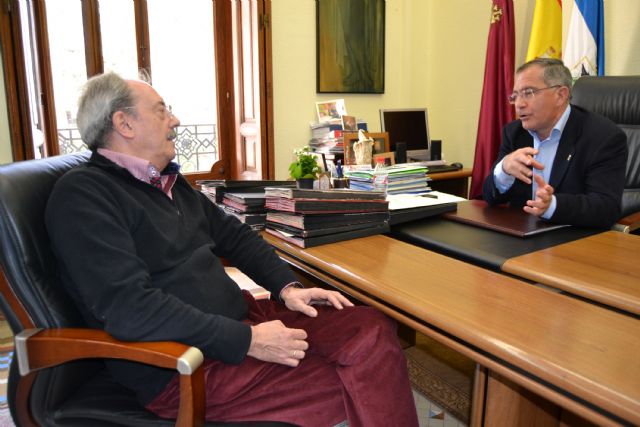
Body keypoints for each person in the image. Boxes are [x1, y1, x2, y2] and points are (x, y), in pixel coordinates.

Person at [45, 72, 418, 427]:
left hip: (240, 320)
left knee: (369, 328)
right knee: (346, 379)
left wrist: (288, 289)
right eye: (161, 109)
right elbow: (130, 309)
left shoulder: (169, 184)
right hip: (185, 363)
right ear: (124, 124)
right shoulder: (84, 196)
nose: (174, 119)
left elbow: (235, 237)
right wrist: (248, 341)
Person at [482, 58, 628, 228]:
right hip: (520, 236)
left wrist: (552, 205)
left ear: (560, 95)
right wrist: (504, 169)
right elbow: (490, 196)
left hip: (574, 241)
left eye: (528, 93)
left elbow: (606, 208)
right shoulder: (514, 133)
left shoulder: (603, 137)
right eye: (515, 96)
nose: (519, 104)